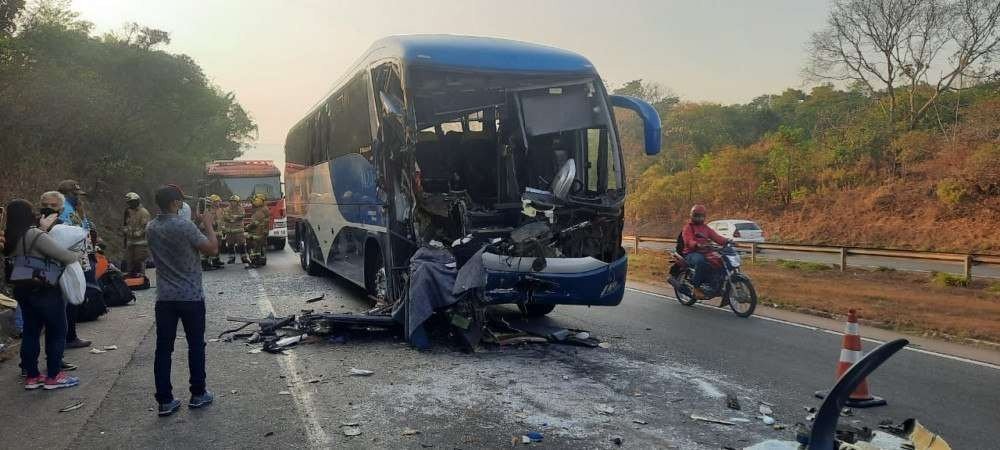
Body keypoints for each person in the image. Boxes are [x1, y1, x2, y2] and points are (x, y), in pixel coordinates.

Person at [146, 184, 219, 416]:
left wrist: (197, 224)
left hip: (165, 298)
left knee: (163, 349)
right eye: (180, 200)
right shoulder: (185, 226)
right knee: (195, 345)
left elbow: (178, 241)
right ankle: (198, 393)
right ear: (175, 203)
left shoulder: (151, 227)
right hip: (190, 296)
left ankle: (165, 400)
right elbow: (212, 249)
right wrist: (208, 224)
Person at [3, 199, 82, 390]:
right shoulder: (34, 234)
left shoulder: (9, 236)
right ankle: (54, 376)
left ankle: (32, 376)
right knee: (57, 331)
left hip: (22, 288)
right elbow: (65, 256)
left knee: (31, 332)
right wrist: (77, 254)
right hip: (44, 289)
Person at [40, 191, 90, 352]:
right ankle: (54, 356)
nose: (49, 208)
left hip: (64, 273)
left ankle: (66, 343)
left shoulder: (65, 226)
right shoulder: (35, 226)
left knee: (66, 310)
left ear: (61, 209)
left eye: (53, 205)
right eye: (45, 205)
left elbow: (77, 246)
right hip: (42, 277)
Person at [680, 204, 730, 299]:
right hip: (691, 253)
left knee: (720, 260)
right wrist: (696, 244)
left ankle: (717, 285)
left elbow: (716, 237)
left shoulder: (705, 228)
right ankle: (696, 289)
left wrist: (727, 241)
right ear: (692, 215)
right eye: (697, 216)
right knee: (701, 262)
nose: (699, 218)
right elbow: (688, 240)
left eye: (701, 216)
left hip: (705, 252)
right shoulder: (688, 227)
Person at [122, 192, 151, 277]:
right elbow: (125, 224)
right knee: (129, 261)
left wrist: (136, 233)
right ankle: (130, 275)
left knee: (139, 260)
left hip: (141, 242)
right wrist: (126, 232)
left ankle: (141, 276)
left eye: (132, 202)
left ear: (136, 201)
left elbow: (145, 227)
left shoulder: (144, 212)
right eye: (129, 203)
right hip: (130, 242)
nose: (130, 204)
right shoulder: (128, 211)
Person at [221, 195, 248, 264]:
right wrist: (232, 218)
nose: (233, 203)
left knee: (241, 244)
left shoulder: (241, 209)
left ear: (237, 202)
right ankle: (231, 258)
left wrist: (233, 217)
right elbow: (225, 216)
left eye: (234, 201)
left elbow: (242, 215)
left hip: (239, 231)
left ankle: (244, 258)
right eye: (232, 201)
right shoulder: (226, 209)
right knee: (230, 245)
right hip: (229, 230)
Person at [245, 194, 270, 268]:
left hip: (257, 232)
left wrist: (247, 227)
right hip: (261, 231)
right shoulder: (264, 208)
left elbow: (255, 223)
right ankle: (260, 261)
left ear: (261, 201)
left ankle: (255, 262)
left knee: (253, 247)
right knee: (260, 247)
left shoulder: (261, 210)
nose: (254, 202)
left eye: (255, 200)